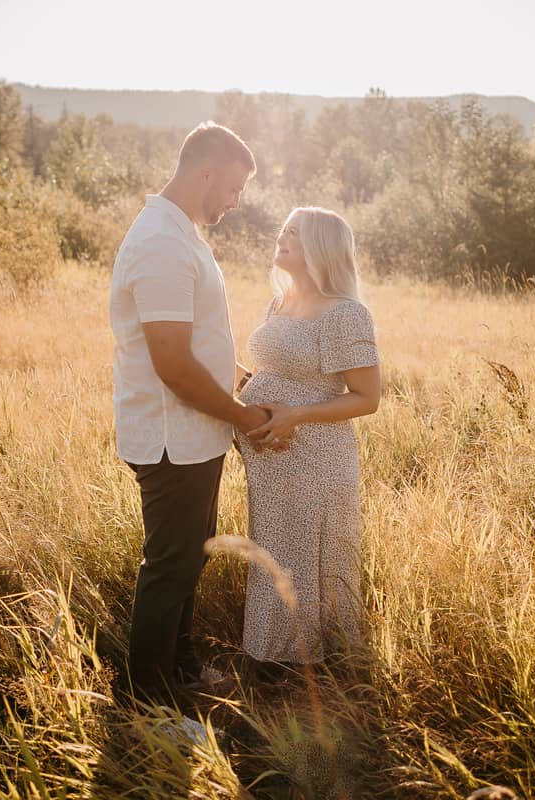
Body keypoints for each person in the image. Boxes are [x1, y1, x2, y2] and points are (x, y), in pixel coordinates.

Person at [108, 121, 273, 702]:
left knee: (189, 557)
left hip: (194, 434)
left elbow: (196, 342)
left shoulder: (180, 235)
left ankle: (181, 671)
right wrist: (243, 415)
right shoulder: (160, 243)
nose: (235, 202)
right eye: (232, 188)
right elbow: (173, 364)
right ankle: (147, 700)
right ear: (204, 171)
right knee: (170, 566)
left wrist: (242, 382)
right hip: (171, 438)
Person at [235, 206, 382, 668]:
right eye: (283, 229)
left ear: (319, 246)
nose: (282, 237)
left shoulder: (346, 314)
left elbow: (366, 398)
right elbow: (271, 375)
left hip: (316, 455)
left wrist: (294, 415)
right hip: (272, 457)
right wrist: (240, 388)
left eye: (294, 233)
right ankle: (268, 656)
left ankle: (307, 668)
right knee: (274, 551)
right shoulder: (277, 304)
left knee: (306, 553)